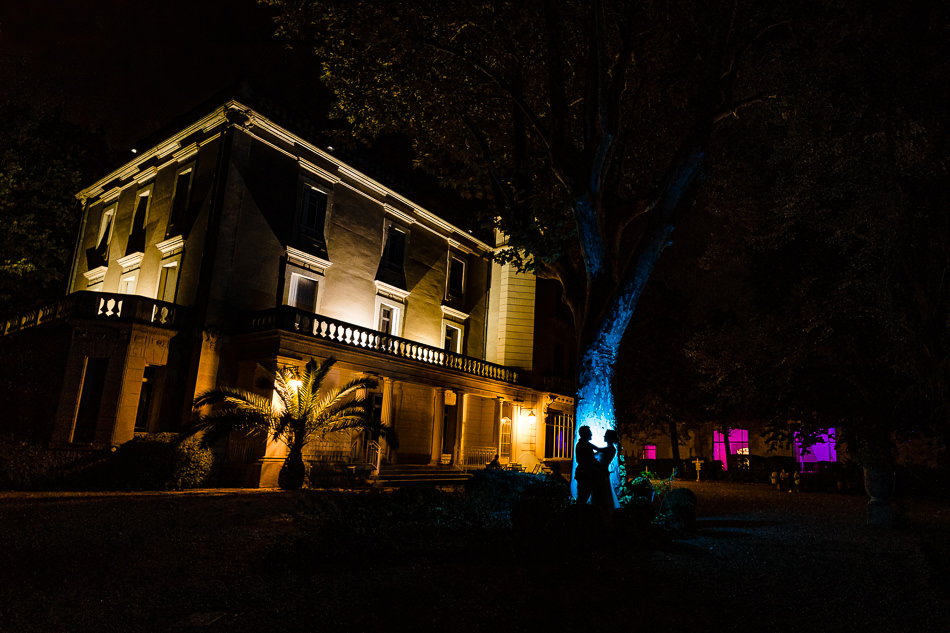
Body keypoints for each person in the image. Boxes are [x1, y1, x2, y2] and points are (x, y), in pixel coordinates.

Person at [573, 426, 602, 504]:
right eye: (589, 432)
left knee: (582, 497)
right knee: (583, 497)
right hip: (585, 474)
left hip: (582, 473)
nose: (591, 434)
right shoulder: (584, 445)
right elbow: (590, 459)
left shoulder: (583, 444)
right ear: (585, 434)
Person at [592, 429, 620, 510]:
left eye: (606, 435)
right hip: (601, 472)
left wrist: (587, 444)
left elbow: (597, 449)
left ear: (610, 438)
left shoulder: (610, 449)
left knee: (602, 492)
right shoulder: (608, 448)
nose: (604, 436)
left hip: (602, 472)